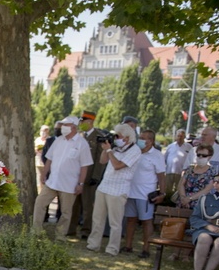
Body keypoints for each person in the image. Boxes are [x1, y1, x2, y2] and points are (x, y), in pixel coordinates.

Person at [87, 123, 141, 255]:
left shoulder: (135, 151)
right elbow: (102, 161)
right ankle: (93, 244)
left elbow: (117, 165)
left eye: (118, 136)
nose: (115, 138)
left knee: (115, 222)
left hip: (118, 190)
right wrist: (106, 149)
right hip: (104, 186)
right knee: (97, 218)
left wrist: (110, 151)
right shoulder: (116, 147)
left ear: (127, 138)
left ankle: (112, 248)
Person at [34, 115, 92, 238]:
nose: (63, 127)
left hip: (69, 184)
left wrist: (81, 184)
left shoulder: (82, 144)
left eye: (66, 125)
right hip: (53, 181)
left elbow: (84, 166)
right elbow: (49, 159)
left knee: (66, 212)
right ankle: (36, 232)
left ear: (74, 127)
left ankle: (60, 235)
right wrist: (43, 174)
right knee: (39, 203)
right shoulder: (59, 140)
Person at [123, 129, 166, 257]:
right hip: (130, 192)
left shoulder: (157, 155)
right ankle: (128, 246)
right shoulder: (134, 151)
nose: (141, 140)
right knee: (130, 220)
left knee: (146, 221)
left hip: (145, 194)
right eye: (140, 137)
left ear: (151, 141)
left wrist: (162, 193)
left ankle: (146, 249)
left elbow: (161, 176)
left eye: (144, 138)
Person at [70, 110, 103, 238]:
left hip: (89, 177)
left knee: (88, 206)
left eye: (82, 121)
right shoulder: (79, 136)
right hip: (76, 176)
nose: (81, 123)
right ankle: (71, 229)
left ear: (90, 121)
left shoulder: (98, 137)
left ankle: (86, 230)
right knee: (74, 205)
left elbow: (100, 160)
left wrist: (95, 176)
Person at [176, 144, 217, 208]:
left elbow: (207, 190)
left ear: (210, 157)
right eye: (198, 155)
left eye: (204, 155)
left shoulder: (212, 171)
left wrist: (189, 199)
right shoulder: (190, 168)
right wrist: (183, 198)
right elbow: (181, 184)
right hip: (183, 202)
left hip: (199, 204)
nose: (200, 157)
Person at [164, 129, 192, 202]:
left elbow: (191, 159)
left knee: (178, 189)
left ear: (184, 137)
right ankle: (166, 202)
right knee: (167, 189)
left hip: (181, 173)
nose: (179, 137)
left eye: (181, 136)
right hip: (170, 171)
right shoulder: (170, 146)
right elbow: (165, 158)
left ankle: (176, 204)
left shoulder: (189, 147)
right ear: (176, 136)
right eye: (178, 136)